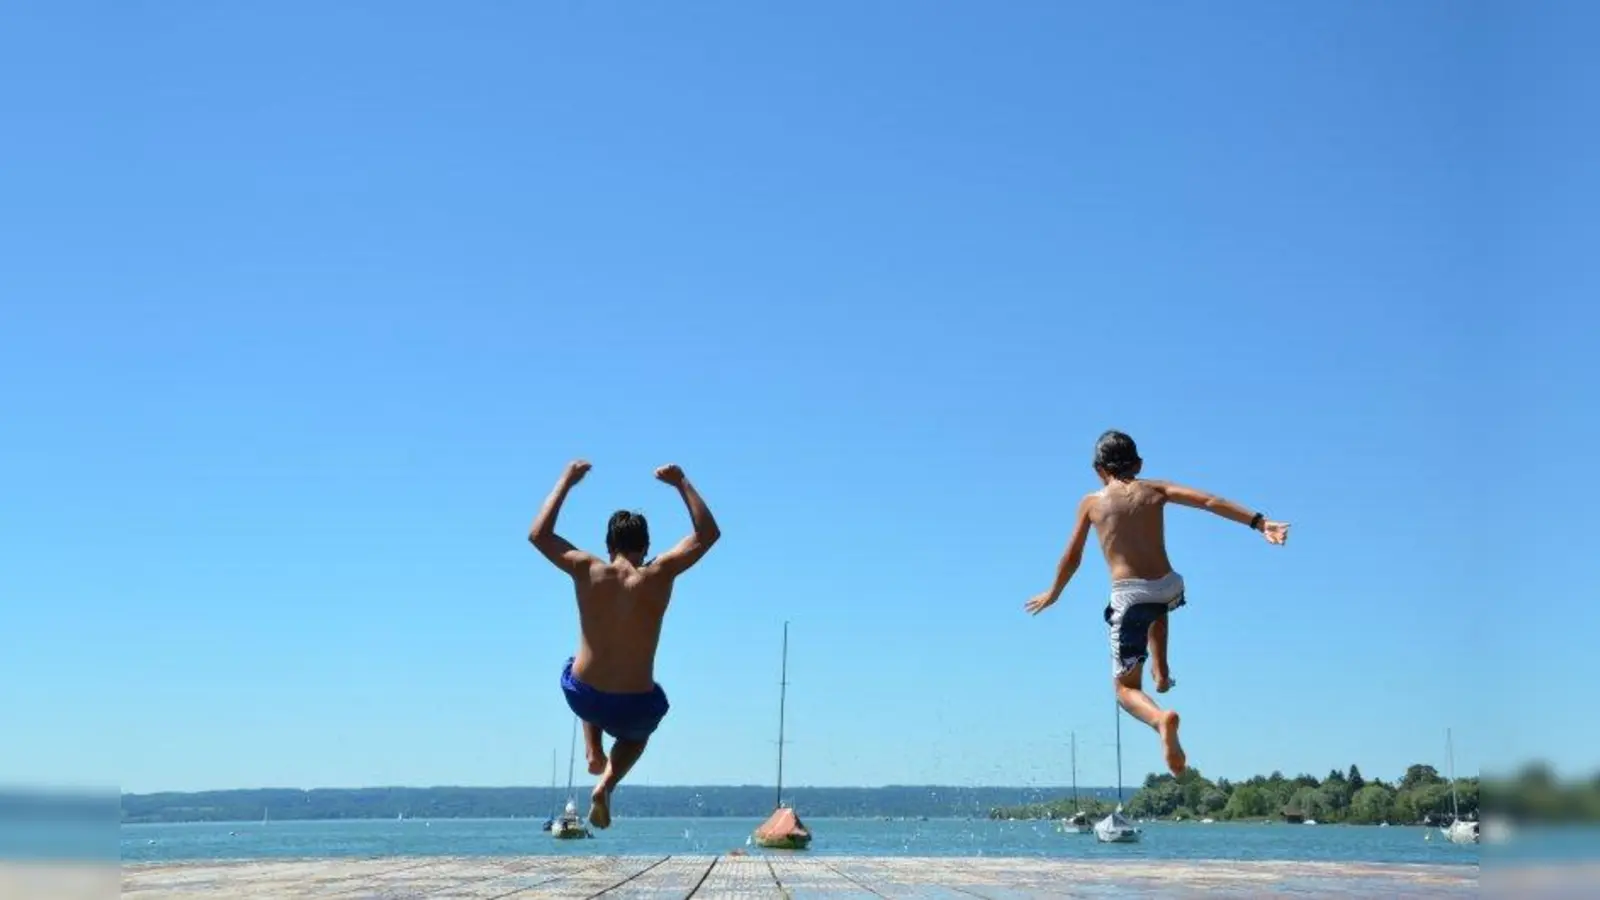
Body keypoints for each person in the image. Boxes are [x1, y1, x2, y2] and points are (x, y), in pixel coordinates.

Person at [1024, 431, 1288, 775]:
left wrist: (1053, 593)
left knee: (1124, 688)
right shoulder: (1157, 489)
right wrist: (1259, 522)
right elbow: (1208, 501)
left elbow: (1073, 556)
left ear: (1098, 469)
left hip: (1130, 596)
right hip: (1169, 585)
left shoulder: (1092, 503)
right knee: (1159, 605)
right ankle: (1161, 670)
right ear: (1139, 464)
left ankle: (1160, 719)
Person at [528, 459, 721, 828]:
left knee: (576, 668)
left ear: (608, 544)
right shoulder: (660, 573)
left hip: (584, 694)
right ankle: (606, 784)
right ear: (646, 545)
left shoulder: (588, 569)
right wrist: (681, 482)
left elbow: (539, 535)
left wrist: (567, 481)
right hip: (634, 704)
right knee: (638, 736)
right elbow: (707, 534)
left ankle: (592, 750)